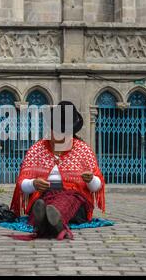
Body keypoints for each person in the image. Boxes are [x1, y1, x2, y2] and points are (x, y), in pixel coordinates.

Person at [10, 101, 105, 240]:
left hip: (74, 200)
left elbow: (97, 185)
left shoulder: (83, 150)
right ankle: (50, 221)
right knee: (40, 204)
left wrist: (91, 180)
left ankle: (50, 219)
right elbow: (22, 184)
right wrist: (33, 184)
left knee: (68, 199)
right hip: (43, 195)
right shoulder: (37, 149)